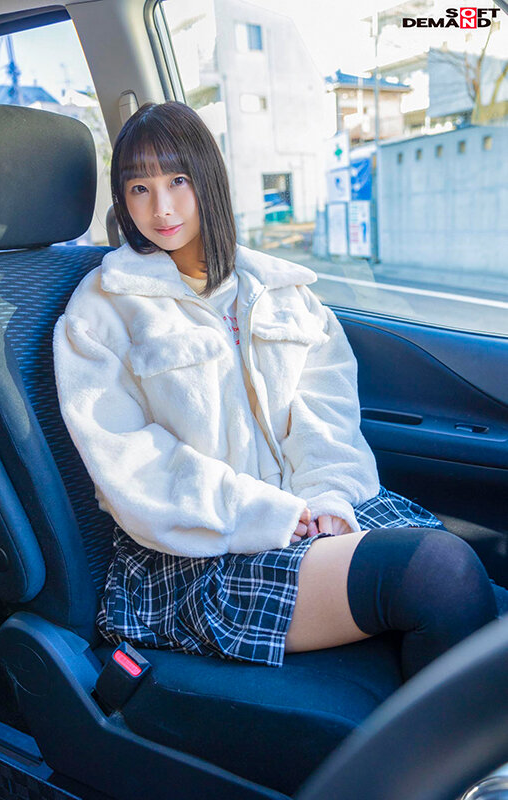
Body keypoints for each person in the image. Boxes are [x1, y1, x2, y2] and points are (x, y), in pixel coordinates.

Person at [53, 101, 507, 682]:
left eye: (178, 180)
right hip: (195, 550)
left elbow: (326, 411)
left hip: (307, 510)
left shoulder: (281, 289)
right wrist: (260, 514)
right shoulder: (100, 310)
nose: (161, 207)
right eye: (139, 188)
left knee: (484, 595)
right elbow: (132, 464)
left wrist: (329, 499)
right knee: (439, 577)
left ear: (208, 180)